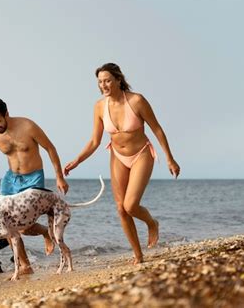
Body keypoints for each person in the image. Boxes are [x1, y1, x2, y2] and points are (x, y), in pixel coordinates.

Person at [64, 63, 180, 264]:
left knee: (131, 205)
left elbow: (157, 129)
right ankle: (138, 255)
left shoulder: (137, 101)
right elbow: (94, 141)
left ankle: (152, 223)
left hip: (141, 154)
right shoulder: (100, 106)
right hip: (117, 156)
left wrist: (170, 158)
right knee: (120, 208)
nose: (103, 85)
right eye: (100, 81)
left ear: (118, 79)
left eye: (107, 80)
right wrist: (77, 161)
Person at [0, 98, 69, 274]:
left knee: (26, 226)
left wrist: (59, 177)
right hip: (10, 180)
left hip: (33, 178)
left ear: (6, 114)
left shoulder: (28, 126)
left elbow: (50, 148)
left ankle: (45, 232)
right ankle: (25, 266)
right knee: (6, 226)